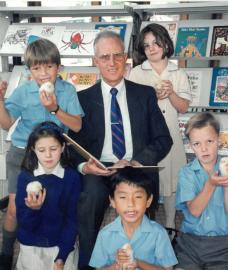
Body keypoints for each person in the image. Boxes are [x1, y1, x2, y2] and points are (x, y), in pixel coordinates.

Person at [68, 31, 172, 270]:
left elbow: (163, 139)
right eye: (105, 57)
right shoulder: (81, 99)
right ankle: (88, 265)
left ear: (125, 58)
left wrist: (136, 161)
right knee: (90, 200)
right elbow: (72, 147)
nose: (112, 62)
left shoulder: (144, 94)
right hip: (100, 168)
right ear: (96, 61)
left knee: (138, 205)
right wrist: (85, 166)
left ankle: (142, 263)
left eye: (117, 55)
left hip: (134, 169)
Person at [0, 38, 84, 270]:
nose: (43, 73)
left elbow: (76, 126)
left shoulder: (67, 90)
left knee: (55, 205)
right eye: (36, 68)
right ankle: (6, 254)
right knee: (16, 209)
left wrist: (54, 109)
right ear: (29, 71)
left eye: (49, 66)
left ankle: (55, 248)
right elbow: (7, 124)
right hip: (22, 153)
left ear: (59, 67)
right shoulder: (24, 91)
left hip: (55, 155)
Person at [129, 23, 191, 232]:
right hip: (147, 139)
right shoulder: (137, 73)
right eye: (147, 46)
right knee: (146, 182)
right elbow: (131, 108)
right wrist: (151, 97)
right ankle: (146, 226)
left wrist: (172, 92)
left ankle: (170, 224)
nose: (152, 48)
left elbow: (183, 107)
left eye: (156, 43)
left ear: (166, 43)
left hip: (171, 135)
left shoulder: (178, 72)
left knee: (171, 183)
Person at [175, 112, 228, 270]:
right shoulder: (187, 173)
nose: (204, 148)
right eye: (197, 144)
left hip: (222, 246)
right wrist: (210, 184)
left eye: (209, 141)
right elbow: (194, 211)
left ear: (219, 140)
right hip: (190, 243)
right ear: (190, 145)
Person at [15, 121, 81, 270]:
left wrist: (61, 257)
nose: (48, 155)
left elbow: (72, 220)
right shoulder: (25, 177)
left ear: (63, 147)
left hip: (61, 246)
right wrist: (34, 209)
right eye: (41, 150)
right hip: (31, 247)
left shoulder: (71, 177)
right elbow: (24, 224)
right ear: (33, 149)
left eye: (53, 148)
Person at [89, 167, 178, 269]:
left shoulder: (159, 233)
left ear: (148, 200)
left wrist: (138, 263)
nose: (131, 204)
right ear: (113, 201)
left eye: (138, 197)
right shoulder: (104, 234)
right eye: (123, 197)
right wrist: (116, 265)